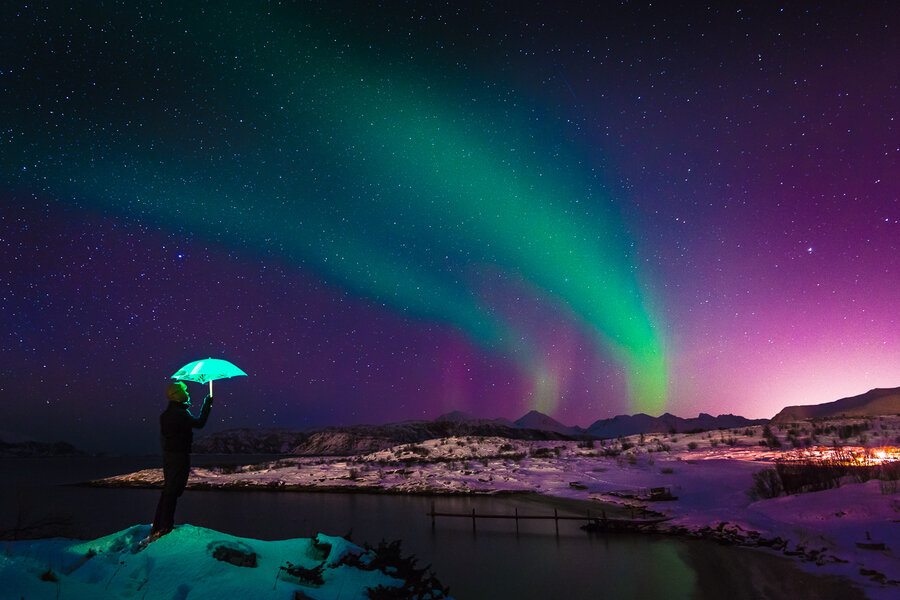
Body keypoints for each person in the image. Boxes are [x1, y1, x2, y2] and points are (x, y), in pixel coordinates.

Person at [151, 381, 212, 538]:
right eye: (185, 391)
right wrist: (207, 404)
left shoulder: (169, 414)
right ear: (177, 395)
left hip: (170, 455)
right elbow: (199, 423)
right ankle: (165, 527)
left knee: (169, 490)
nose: (188, 393)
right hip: (178, 455)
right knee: (172, 490)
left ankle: (159, 525)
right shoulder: (179, 414)